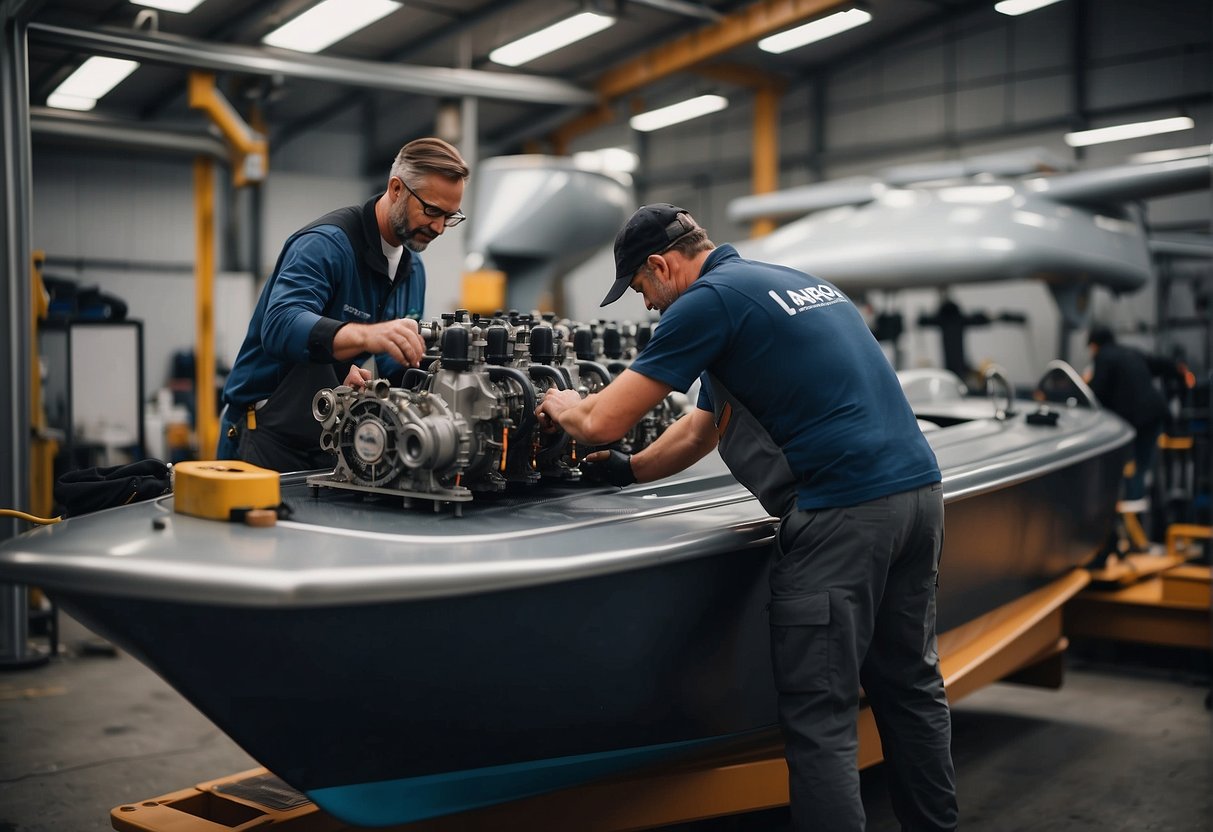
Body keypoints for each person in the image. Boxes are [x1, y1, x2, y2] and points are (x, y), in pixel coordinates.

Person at [536, 204, 957, 831]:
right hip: (919, 500)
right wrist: (628, 471)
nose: (647, 305)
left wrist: (564, 404)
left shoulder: (706, 303)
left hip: (841, 515)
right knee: (911, 692)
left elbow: (601, 420)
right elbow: (708, 425)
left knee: (822, 717)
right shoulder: (782, 283)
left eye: (642, 288)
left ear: (661, 265)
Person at [217, 138, 469, 471]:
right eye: (432, 210)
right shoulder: (325, 246)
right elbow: (280, 325)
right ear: (396, 189)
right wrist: (367, 335)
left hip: (329, 438)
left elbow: (395, 369)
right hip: (261, 439)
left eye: (449, 217)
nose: (438, 227)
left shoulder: (412, 270)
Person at [1084, 325, 1168, 503]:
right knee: (1142, 467)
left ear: (1095, 345)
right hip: (1155, 413)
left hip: (1136, 419)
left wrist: (1084, 387)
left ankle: (1131, 514)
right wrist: (1180, 371)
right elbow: (1160, 364)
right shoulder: (1129, 352)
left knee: (1131, 469)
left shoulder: (1103, 357)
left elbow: (1097, 392)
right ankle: (1139, 512)